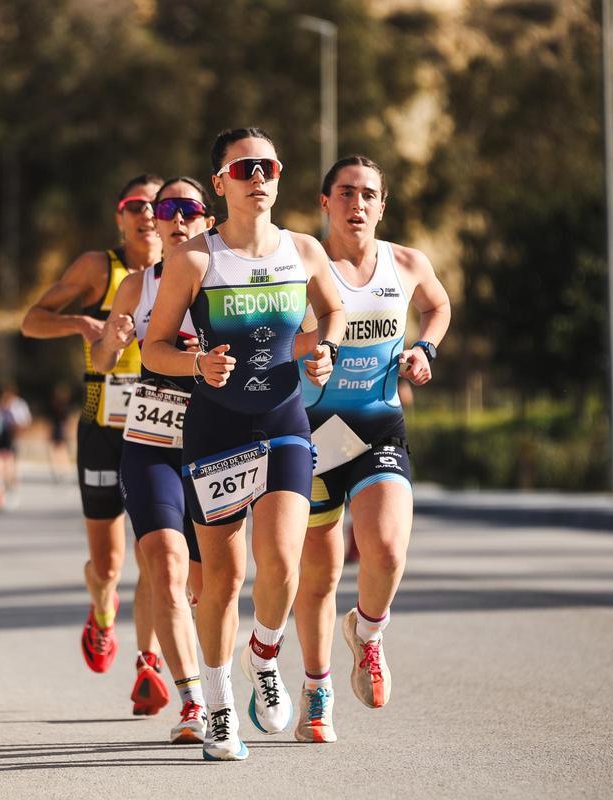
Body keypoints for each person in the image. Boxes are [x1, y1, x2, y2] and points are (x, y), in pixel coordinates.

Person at [142, 128, 344, 761]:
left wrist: (324, 351)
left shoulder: (304, 250)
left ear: (279, 178)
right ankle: (221, 705)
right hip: (215, 428)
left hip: (283, 420)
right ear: (222, 182)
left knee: (283, 559)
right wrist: (196, 368)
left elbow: (332, 313)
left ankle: (263, 653)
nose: (259, 176)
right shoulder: (195, 261)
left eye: (269, 166)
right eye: (245, 167)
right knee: (224, 579)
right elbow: (154, 349)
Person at [291, 155, 451, 742]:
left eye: (369, 195)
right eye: (345, 193)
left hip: (379, 426)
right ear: (324, 202)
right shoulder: (302, 266)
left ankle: (370, 631)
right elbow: (272, 340)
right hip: (310, 435)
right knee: (319, 573)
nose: (357, 204)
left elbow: (438, 306)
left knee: (384, 548)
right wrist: (309, 349)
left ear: (383, 205)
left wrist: (424, 350)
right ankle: (316, 687)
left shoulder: (406, 263)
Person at [20, 174, 168, 714]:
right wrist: (82, 322)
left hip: (159, 428)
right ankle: (102, 612)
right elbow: (31, 322)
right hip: (102, 425)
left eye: (158, 204)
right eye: (135, 205)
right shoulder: (98, 269)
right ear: (119, 217)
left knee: (153, 554)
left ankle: (148, 663)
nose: (148, 214)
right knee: (107, 566)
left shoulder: (184, 267)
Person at [92, 177, 214, 743]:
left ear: (207, 220)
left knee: (209, 581)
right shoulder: (137, 285)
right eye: (168, 208)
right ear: (158, 224)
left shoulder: (224, 281)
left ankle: (226, 680)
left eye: (190, 208)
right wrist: (112, 340)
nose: (176, 217)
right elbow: (101, 357)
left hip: (217, 443)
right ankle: (192, 703)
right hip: (150, 440)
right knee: (164, 566)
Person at [0, 386, 32, 498]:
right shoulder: (3, 406)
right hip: (4, 436)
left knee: (12, 460)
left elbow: (26, 421)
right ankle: (6, 482)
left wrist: (17, 428)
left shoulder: (19, 405)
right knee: (4, 459)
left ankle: (13, 483)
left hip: (15, 436)